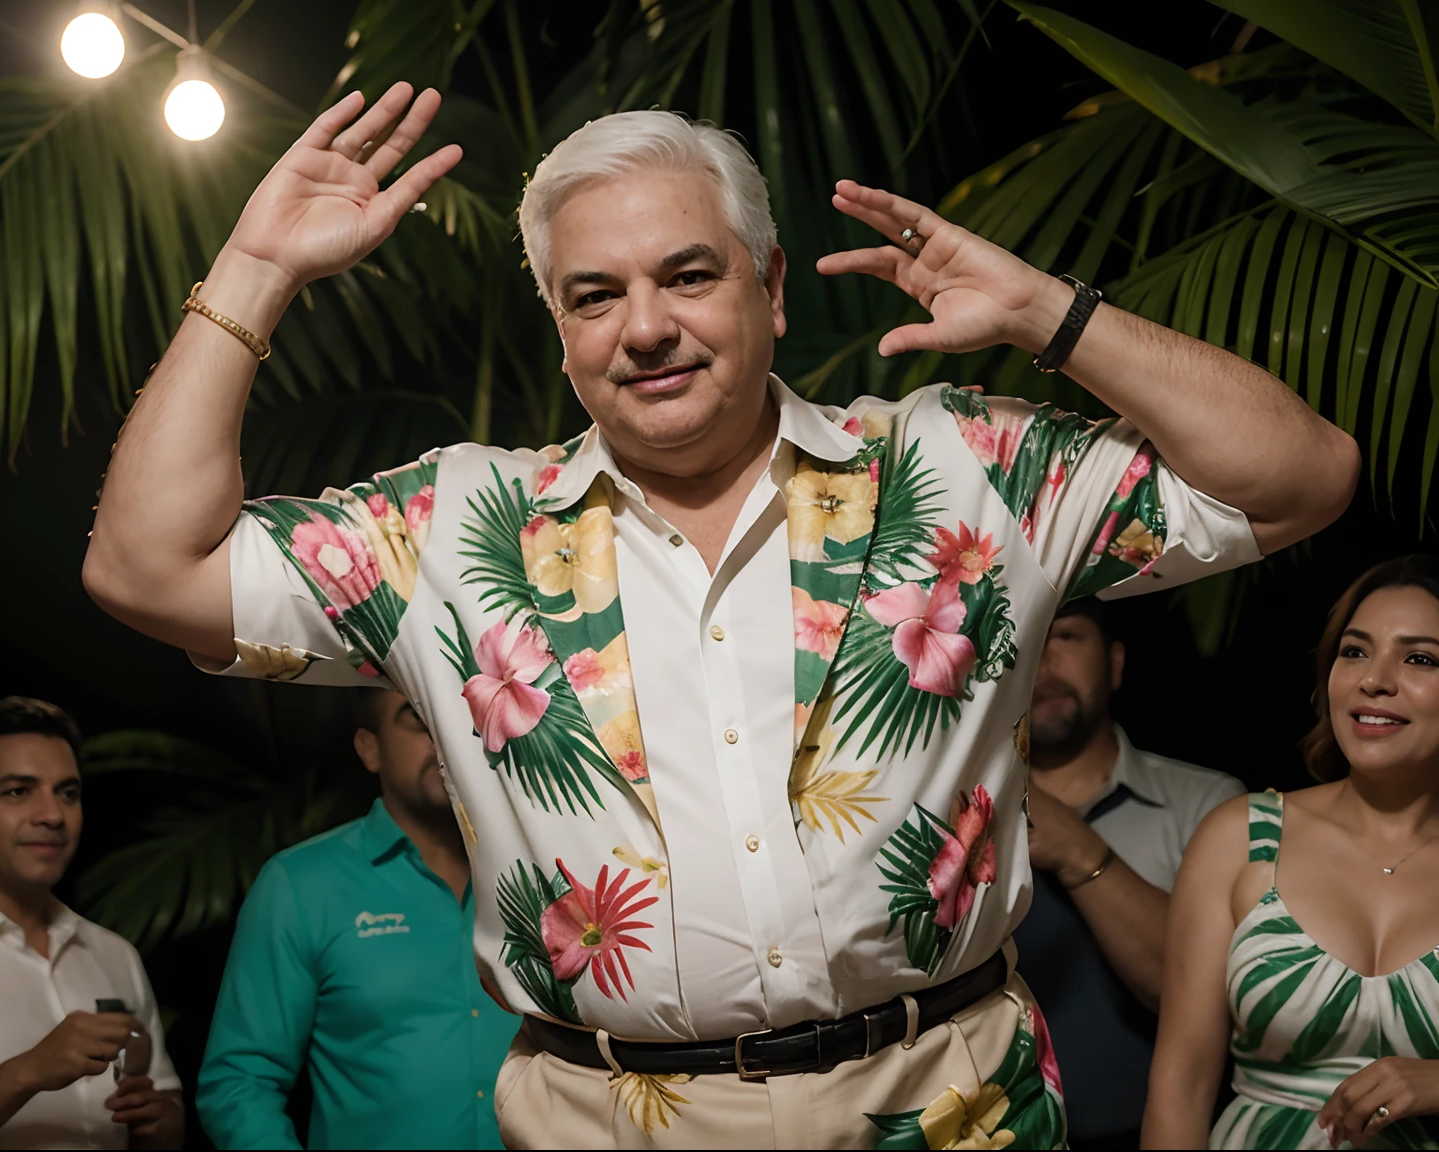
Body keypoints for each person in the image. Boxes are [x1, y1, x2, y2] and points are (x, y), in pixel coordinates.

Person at [81, 82, 1358, 1148]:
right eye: (594, 296)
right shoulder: (450, 532)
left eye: (688, 275)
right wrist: (255, 270)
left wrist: (1049, 317)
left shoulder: (962, 469)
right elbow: (145, 568)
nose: (646, 328)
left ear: (772, 288)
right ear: (564, 332)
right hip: (608, 1122)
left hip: (949, 1108)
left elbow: (1302, 477)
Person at [1144, 554, 1439, 1150]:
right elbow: (1180, 1085)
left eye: (1420, 658)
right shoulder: (1243, 837)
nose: (1373, 679)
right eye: (1354, 651)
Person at [196, 690, 516, 1149]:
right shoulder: (301, 884)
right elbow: (239, 1081)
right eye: (420, 718)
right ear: (369, 749)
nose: (448, 734)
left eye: (463, 716)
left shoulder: (542, 876)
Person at [0, 698, 183, 1150]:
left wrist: (161, 1121)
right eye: (18, 791)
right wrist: (29, 1071)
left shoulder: (114, 953)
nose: (53, 815)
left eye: (68, 793)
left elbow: (166, 1113)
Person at [1013, 597, 1244, 1147]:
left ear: (1115, 663)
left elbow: (1214, 997)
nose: (1044, 663)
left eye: (1066, 636)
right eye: (1025, 643)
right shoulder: (962, 815)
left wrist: (1077, 849)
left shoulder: (1212, 805)